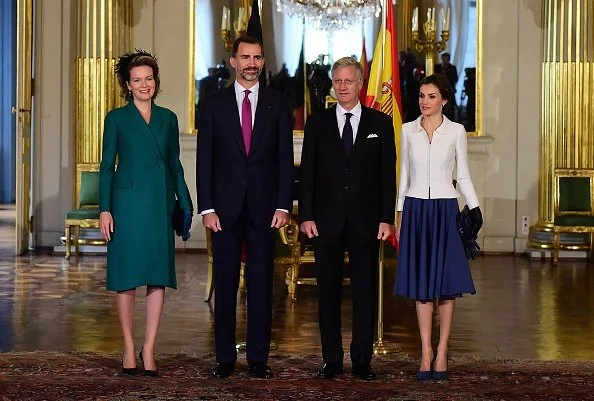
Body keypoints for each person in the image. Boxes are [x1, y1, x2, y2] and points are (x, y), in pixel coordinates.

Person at [196, 36, 293, 379]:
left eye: (256, 57)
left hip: (266, 210)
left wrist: (283, 204)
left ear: (263, 62)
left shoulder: (278, 104)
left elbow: (284, 160)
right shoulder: (213, 104)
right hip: (223, 210)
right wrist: (206, 207)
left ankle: (257, 359)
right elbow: (204, 159)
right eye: (244, 57)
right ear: (233, 61)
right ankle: (224, 358)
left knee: (261, 285)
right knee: (225, 285)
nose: (251, 63)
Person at [299, 57, 396, 381]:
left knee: (365, 292)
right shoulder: (317, 122)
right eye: (337, 81)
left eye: (348, 81)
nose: (342, 87)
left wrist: (386, 218)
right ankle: (332, 360)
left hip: (367, 222)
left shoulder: (379, 124)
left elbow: (387, 177)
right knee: (327, 293)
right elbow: (308, 174)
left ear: (359, 83)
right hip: (325, 221)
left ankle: (362, 361)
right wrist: (307, 216)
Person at [98, 50, 193, 377]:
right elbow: (106, 167)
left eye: (148, 79)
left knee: (157, 277)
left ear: (156, 82)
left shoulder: (168, 118)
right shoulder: (116, 119)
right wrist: (105, 209)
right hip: (126, 206)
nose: (144, 84)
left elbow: (175, 164)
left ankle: (149, 348)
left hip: (159, 203)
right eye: (137, 79)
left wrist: (185, 200)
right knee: (126, 278)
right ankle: (128, 346)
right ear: (127, 84)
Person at [394, 73, 482, 381]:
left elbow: (465, 175)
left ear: (444, 99)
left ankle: (442, 350)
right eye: (421, 95)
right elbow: (403, 176)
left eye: (431, 96)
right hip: (416, 210)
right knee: (421, 285)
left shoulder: (457, 131)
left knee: (445, 284)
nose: (424, 102)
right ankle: (426, 351)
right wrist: (399, 214)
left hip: (446, 209)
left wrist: (475, 207)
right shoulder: (407, 130)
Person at [434, 53, 459, 121]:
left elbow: (456, 79)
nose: (445, 61)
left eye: (446, 59)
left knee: (451, 108)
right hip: (439, 90)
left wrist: (449, 73)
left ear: (449, 59)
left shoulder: (452, 68)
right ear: (441, 59)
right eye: (443, 59)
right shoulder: (437, 67)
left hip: (450, 90)